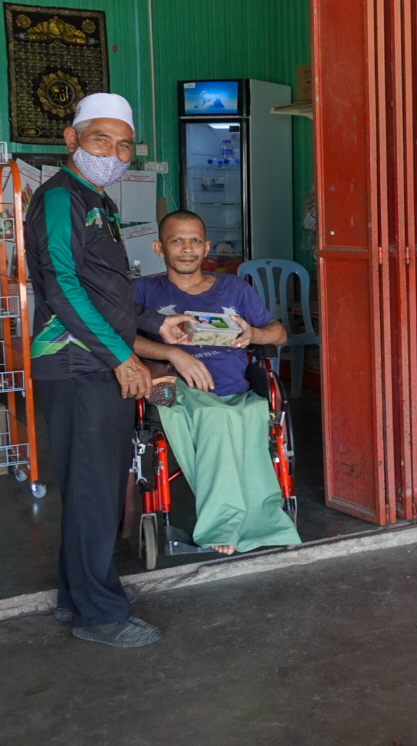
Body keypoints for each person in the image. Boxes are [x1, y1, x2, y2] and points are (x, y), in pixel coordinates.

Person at [25, 93, 192, 648]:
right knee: (96, 489)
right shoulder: (58, 198)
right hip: (79, 365)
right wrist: (123, 357)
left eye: (124, 146)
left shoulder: (99, 201)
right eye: (102, 140)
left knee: (90, 487)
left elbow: (108, 290)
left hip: (95, 360)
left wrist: (154, 324)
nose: (115, 153)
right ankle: (100, 615)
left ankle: (79, 594)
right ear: (72, 139)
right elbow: (63, 286)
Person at [133, 210, 301, 555]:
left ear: (206, 246)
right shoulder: (142, 290)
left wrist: (253, 333)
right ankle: (221, 525)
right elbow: (119, 339)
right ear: (158, 247)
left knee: (253, 413)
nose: (187, 248)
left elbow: (278, 332)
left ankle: (262, 519)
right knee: (217, 418)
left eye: (195, 240)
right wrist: (173, 353)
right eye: (176, 240)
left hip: (232, 391)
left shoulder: (234, 288)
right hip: (166, 388)